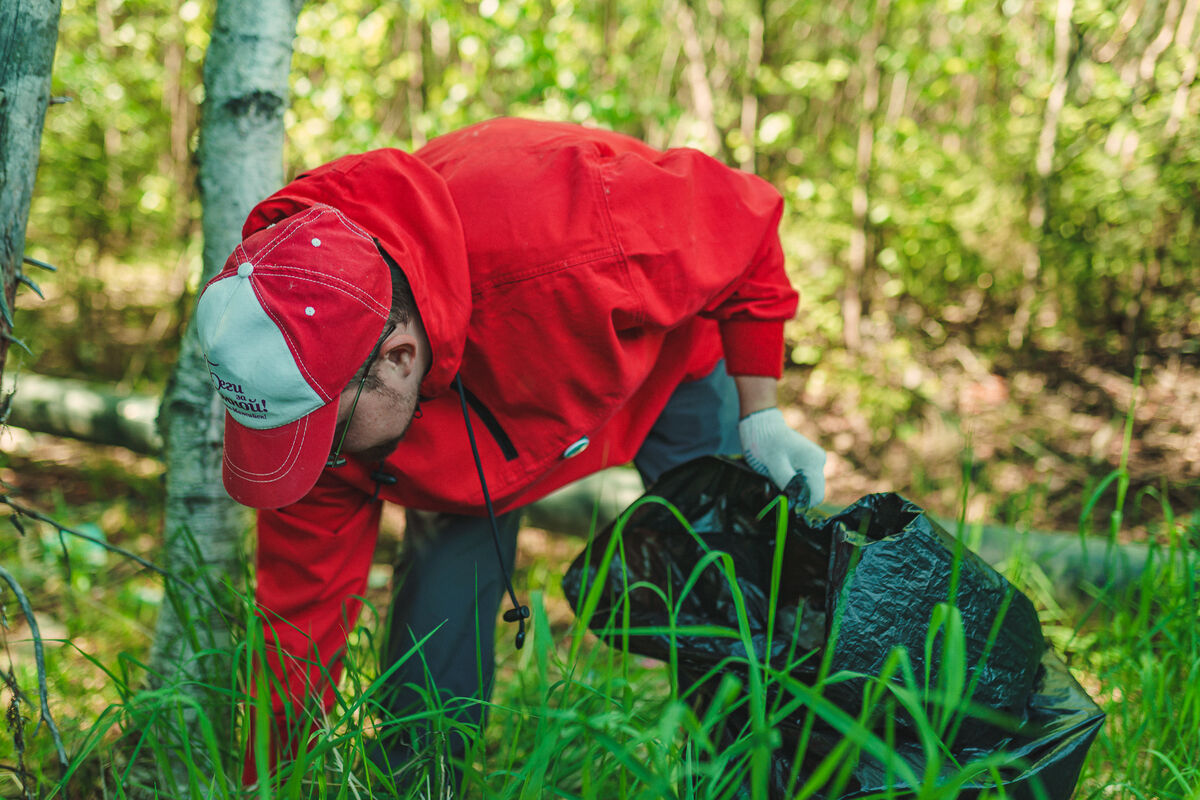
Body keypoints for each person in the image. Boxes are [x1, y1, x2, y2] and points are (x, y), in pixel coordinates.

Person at [195, 117, 827, 790]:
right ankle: (423, 781)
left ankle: (754, 775)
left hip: (663, 375)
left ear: (398, 357)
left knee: (731, 579)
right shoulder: (303, 394)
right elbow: (298, 628)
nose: (313, 464)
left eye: (323, 437)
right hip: (462, 443)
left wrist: (762, 413)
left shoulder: (578, 231)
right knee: (434, 640)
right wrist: (270, 782)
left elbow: (749, 222)